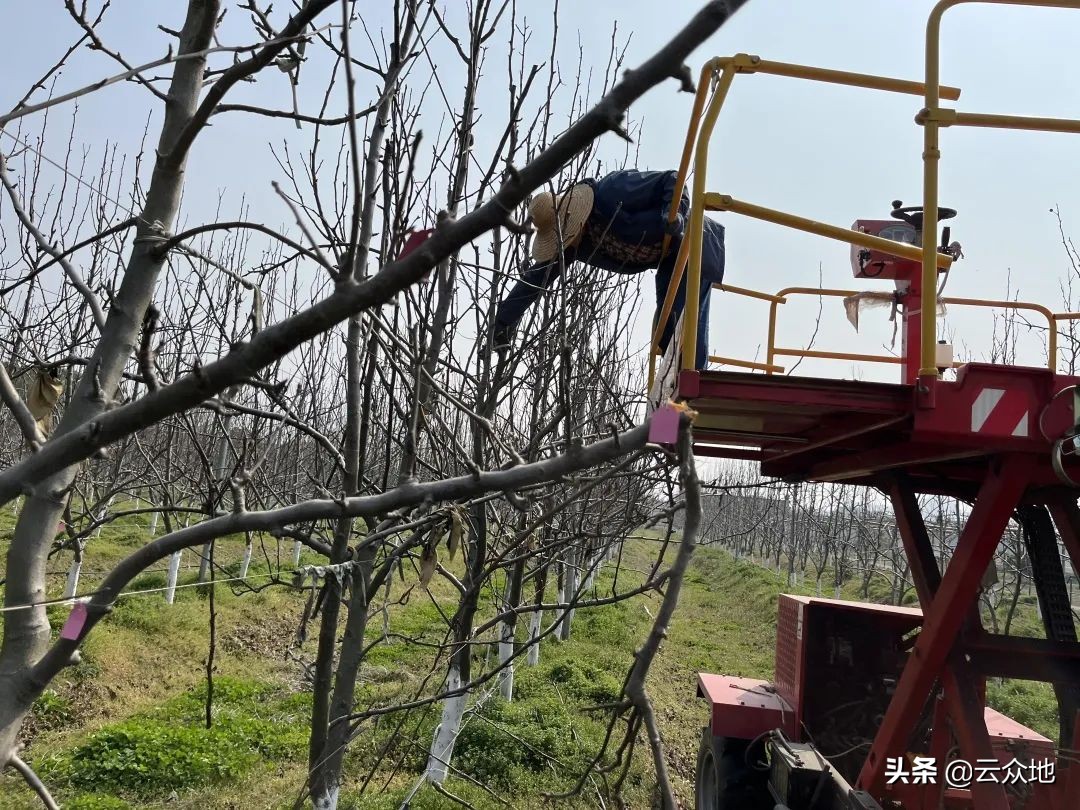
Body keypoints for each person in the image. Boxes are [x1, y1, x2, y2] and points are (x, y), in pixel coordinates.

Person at [491, 168, 726, 369]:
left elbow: (672, 179)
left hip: (692, 242)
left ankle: (694, 393)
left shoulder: (613, 190)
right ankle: (676, 402)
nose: (567, 242)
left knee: (682, 333)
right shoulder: (576, 244)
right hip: (666, 259)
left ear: (576, 216)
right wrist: (501, 325)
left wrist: (674, 215)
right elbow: (534, 282)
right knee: (666, 337)